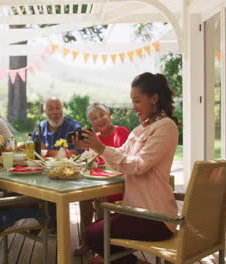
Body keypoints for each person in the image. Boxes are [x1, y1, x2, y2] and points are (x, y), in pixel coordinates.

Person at [75, 72, 179, 264]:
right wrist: (92, 148)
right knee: (95, 232)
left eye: (137, 101)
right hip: (135, 211)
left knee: (93, 235)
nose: (133, 107)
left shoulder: (166, 127)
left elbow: (138, 166)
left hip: (157, 216)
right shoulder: (139, 130)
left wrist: (101, 148)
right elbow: (119, 159)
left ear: (154, 98)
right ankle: (119, 258)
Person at [72, 103, 130, 256]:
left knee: (100, 198)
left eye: (102, 114)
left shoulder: (121, 132)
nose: (99, 119)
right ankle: (88, 240)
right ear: (91, 124)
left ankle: (101, 246)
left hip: (120, 184)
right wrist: (81, 149)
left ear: (109, 114)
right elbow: (90, 162)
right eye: (94, 118)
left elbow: (125, 160)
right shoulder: (94, 138)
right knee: (83, 197)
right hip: (99, 183)